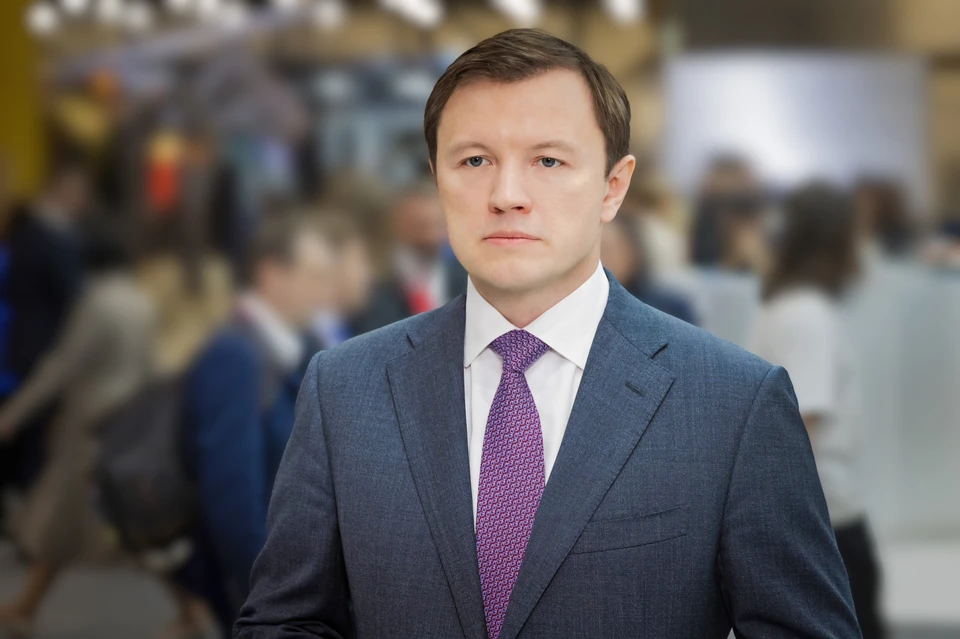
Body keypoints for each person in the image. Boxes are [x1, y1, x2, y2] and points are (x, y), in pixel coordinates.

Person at [236, 29, 860, 639]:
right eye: (474, 160)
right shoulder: (346, 389)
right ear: (436, 179)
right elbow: (285, 619)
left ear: (613, 187)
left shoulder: (732, 403)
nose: (507, 195)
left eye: (549, 161)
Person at [176, 210, 338, 637]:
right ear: (271, 275)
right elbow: (232, 497)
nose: (326, 292)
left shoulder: (293, 349)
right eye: (315, 276)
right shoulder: (236, 355)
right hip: (260, 592)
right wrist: (273, 601)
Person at [0, 222, 156, 637]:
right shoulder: (141, 301)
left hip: (91, 425)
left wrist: (14, 413)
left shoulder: (98, 303)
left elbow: (62, 365)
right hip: (127, 421)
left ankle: (192, 606)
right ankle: (26, 607)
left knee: (113, 523)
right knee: (72, 519)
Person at [752, 183, 884, 639]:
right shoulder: (805, 315)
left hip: (817, 514)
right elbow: (798, 427)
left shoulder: (789, 307)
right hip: (826, 517)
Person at [0, 162, 90, 499]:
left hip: (15, 341)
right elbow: (72, 294)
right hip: (35, 344)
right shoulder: (55, 237)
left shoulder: (20, 230)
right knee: (30, 431)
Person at [350, 179, 467, 334]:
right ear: (398, 221)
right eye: (421, 224)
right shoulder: (375, 276)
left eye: (436, 223)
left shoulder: (465, 275)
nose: (430, 235)